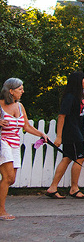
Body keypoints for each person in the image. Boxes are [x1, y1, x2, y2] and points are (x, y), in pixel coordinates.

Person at [0, 78, 49, 220]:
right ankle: (1, 211)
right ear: (11, 91)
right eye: (20, 89)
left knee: (12, 179)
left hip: (15, 144)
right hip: (3, 143)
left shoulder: (20, 106)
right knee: (7, 177)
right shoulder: (0, 105)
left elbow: (26, 126)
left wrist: (41, 134)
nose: (23, 91)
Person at [45, 71, 84, 199]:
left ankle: (53, 187)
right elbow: (61, 116)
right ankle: (74, 188)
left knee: (67, 158)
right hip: (72, 132)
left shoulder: (79, 96)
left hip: (78, 130)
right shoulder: (70, 97)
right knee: (79, 158)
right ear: (78, 81)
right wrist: (59, 136)